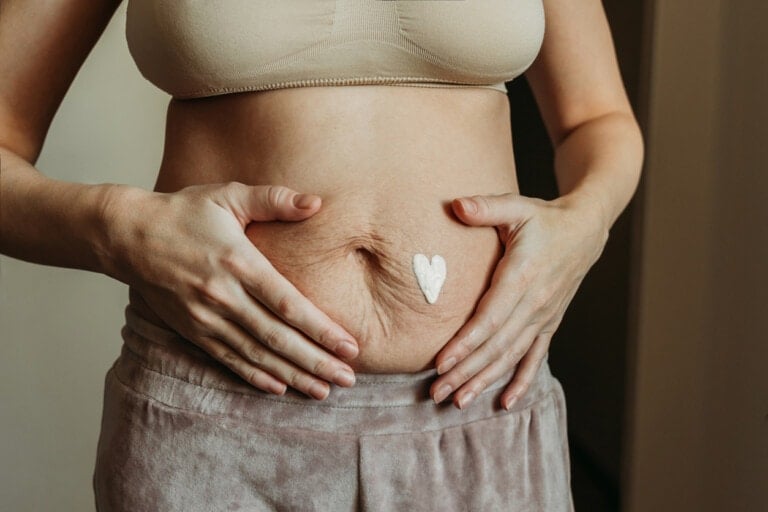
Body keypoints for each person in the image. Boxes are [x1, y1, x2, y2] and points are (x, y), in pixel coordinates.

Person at [0, 0, 643, 510]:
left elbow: (597, 119)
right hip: (216, 420)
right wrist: (119, 227)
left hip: (481, 404)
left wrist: (584, 223)